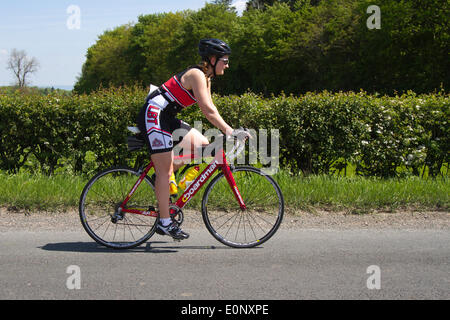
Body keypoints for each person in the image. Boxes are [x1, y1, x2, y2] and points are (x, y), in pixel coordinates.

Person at [136, 38, 249, 240]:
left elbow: (212, 108)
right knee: (163, 172)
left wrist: (228, 130)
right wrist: (230, 132)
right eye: (224, 60)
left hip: (166, 117)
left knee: (204, 147)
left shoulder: (206, 78)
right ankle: (164, 222)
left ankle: (165, 174)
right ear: (212, 59)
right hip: (154, 115)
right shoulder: (196, 75)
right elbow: (206, 110)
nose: (227, 64)